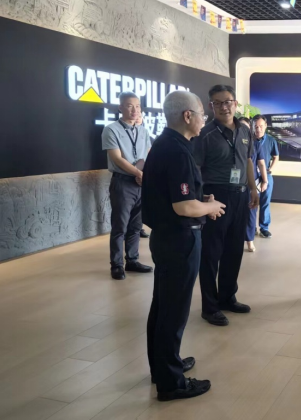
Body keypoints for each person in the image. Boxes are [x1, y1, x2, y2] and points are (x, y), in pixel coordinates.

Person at [142, 90, 226, 401]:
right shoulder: (177, 151)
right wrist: (210, 206)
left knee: (163, 305)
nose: (205, 118)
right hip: (180, 240)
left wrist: (199, 200)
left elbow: (178, 196)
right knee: (174, 311)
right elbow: (184, 207)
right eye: (202, 113)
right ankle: (172, 382)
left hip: (167, 237)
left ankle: (163, 366)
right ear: (187, 116)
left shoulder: (165, 144)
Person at [195, 85, 260, 326]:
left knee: (234, 250)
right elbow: (196, 169)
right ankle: (209, 306)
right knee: (211, 253)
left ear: (235, 104)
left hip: (240, 195)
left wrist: (253, 188)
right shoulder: (205, 134)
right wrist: (202, 198)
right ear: (210, 106)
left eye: (228, 102)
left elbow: (248, 161)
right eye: (218, 103)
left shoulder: (244, 130)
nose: (224, 107)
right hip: (216, 196)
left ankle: (227, 297)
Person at [101, 92, 152, 280]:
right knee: (120, 226)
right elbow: (117, 158)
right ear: (120, 107)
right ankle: (116, 265)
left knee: (136, 226)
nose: (134, 110)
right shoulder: (111, 129)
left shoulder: (143, 130)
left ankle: (132, 260)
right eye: (130, 106)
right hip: (123, 182)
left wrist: (146, 174)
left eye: (137, 106)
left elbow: (149, 154)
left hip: (141, 182)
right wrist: (138, 173)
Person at [239, 117, 268, 253]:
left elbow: (261, 163)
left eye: (246, 127)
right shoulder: (232, 142)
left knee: (251, 213)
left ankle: (249, 240)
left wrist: (265, 180)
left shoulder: (255, 144)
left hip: (252, 184)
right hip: (235, 184)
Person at [252, 115, 280, 238]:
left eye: (261, 126)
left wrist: (270, 170)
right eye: (256, 126)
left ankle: (264, 228)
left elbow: (276, 157)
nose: (258, 129)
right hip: (252, 176)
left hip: (266, 176)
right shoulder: (249, 140)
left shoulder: (271, 140)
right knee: (252, 202)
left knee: (265, 202)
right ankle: (251, 227)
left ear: (266, 126)